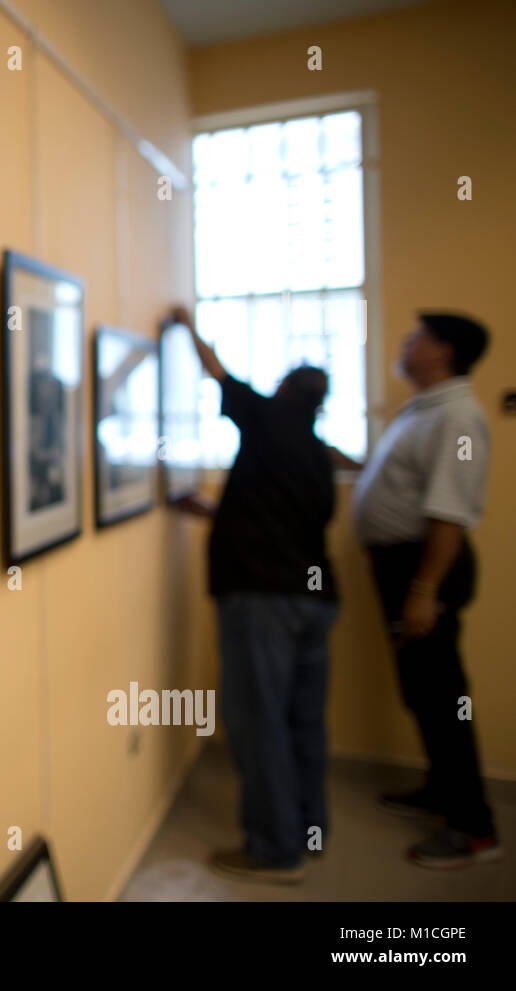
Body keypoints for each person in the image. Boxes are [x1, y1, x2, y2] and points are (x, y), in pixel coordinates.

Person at [167, 305, 340, 885]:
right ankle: (309, 828)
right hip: (313, 600)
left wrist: (186, 325)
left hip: (262, 599)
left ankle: (273, 849)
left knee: (259, 719)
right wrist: (214, 512)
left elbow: (218, 373)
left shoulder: (268, 420)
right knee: (302, 721)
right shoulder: (317, 452)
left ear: (287, 389)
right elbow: (280, 521)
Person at [351, 312, 499, 868]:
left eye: (415, 338)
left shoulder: (458, 420)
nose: (405, 344)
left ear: (442, 350)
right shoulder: (426, 411)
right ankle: (442, 791)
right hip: (407, 570)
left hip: (424, 571)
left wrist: (423, 590)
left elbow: (450, 517)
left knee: (444, 698)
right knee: (424, 691)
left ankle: (475, 827)